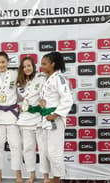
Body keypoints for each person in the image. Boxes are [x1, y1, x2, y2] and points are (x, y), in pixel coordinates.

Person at [0, 51, 23, 183]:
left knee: (16, 145)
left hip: (12, 115)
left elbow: (29, 78)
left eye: (3, 62)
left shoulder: (14, 74)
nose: (1, 64)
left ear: (8, 62)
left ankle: (18, 174)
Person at [39, 51, 73, 183]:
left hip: (55, 121)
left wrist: (56, 114)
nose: (42, 66)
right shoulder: (48, 78)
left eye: (44, 64)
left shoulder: (59, 78)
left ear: (53, 64)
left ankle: (57, 179)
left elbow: (67, 99)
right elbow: (51, 98)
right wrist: (42, 103)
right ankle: (54, 177)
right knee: (47, 152)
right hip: (46, 119)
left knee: (54, 152)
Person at [16, 56, 48, 183]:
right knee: (28, 148)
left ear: (33, 66)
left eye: (29, 65)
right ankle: (31, 174)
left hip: (40, 119)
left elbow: (53, 88)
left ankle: (46, 176)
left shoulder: (42, 77)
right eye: (24, 66)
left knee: (43, 148)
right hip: (25, 119)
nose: (26, 68)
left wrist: (44, 101)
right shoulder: (19, 82)